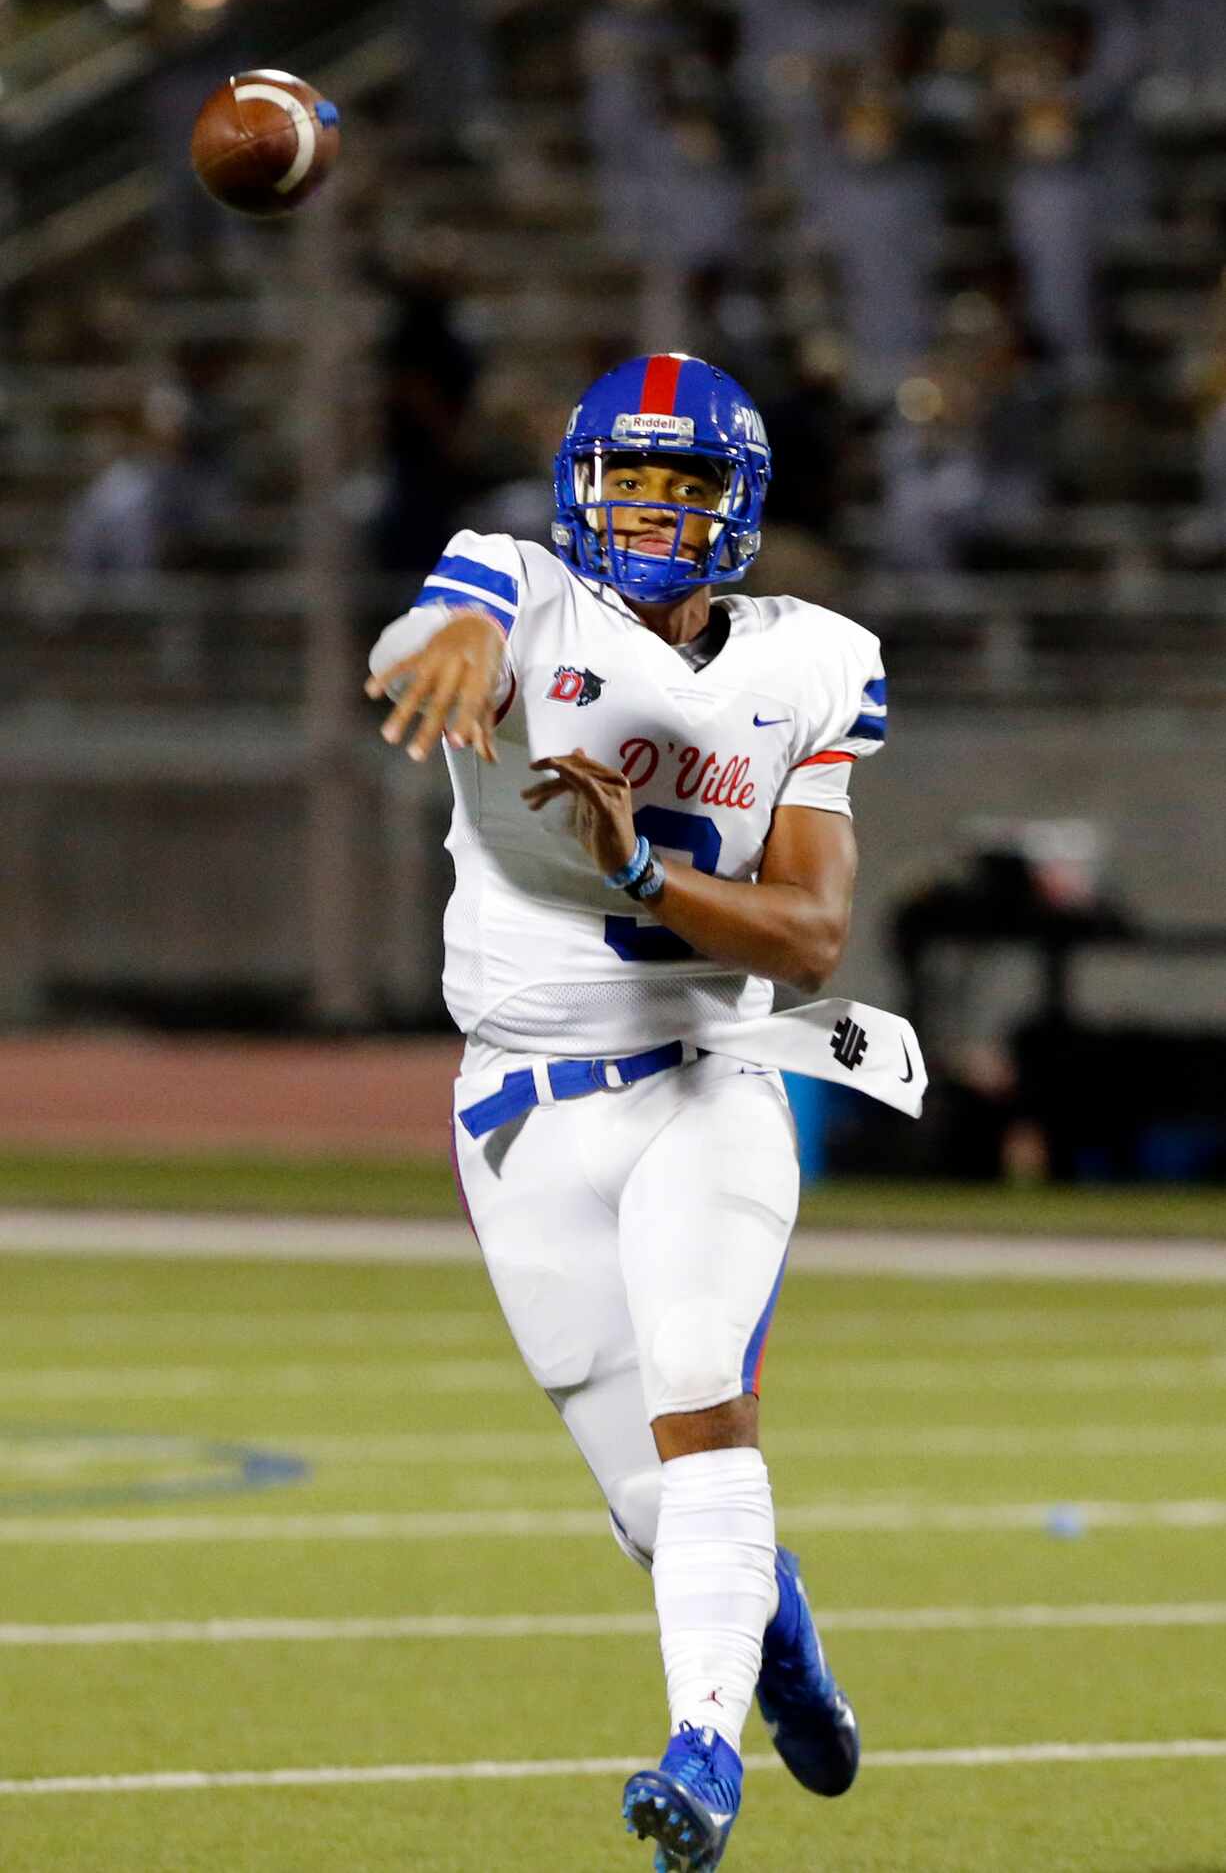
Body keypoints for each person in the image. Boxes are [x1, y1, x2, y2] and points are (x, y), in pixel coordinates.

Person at [366, 353, 922, 1870]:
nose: (651, 512)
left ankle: (698, 1749)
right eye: (629, 479)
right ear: (577, 481)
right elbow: (454, 614)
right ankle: (781, 1641)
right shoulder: (516, 584)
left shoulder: (811, 660)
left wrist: (635, 876)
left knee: (701, 1405)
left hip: (708, 1083)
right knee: (647, 1506)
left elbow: (808, 938)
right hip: (519, 1112)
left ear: (736, 505)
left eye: (684, 486)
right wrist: (454, 643)